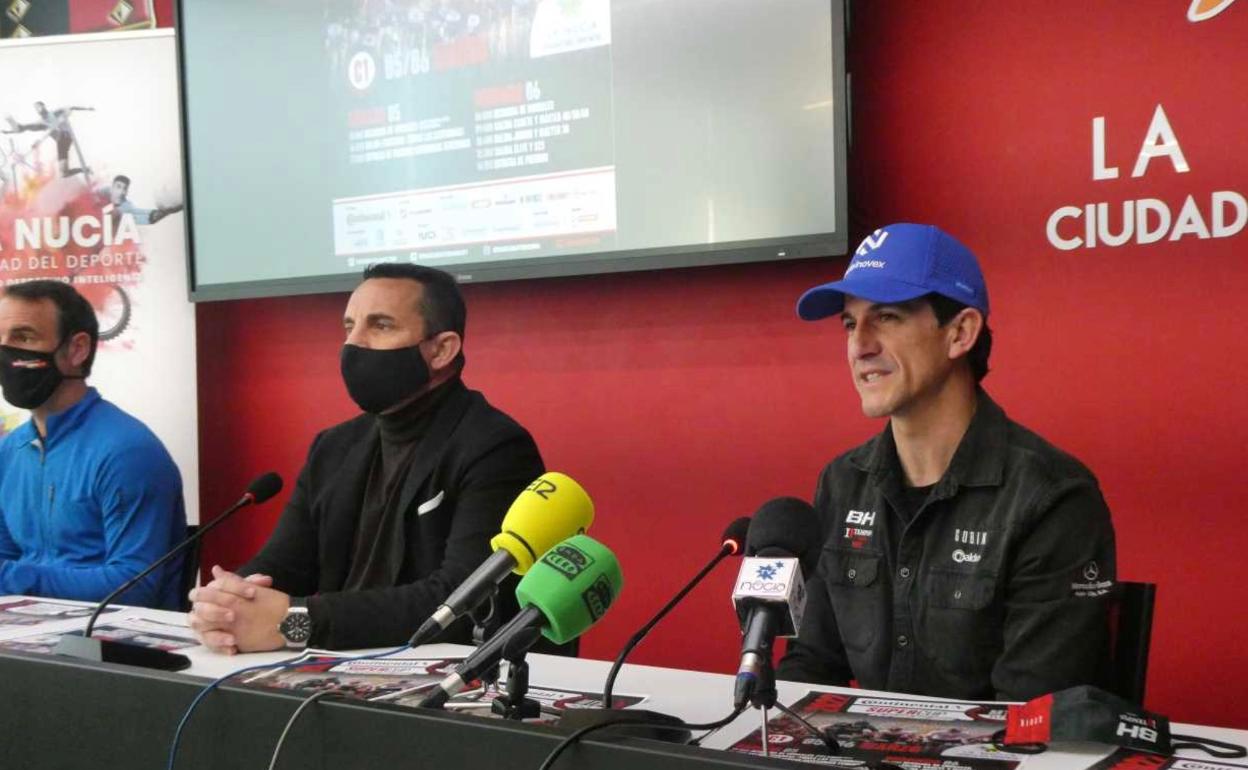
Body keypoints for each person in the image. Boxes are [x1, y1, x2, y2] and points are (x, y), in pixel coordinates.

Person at [777, 223, 1116, 702]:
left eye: (887, 317)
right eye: (851, 324)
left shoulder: (1053, 497)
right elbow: (812, 662)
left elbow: (1032, 711)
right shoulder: (841, 482)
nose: (859, 346)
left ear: (960, 333)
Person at [188, 264, 545, 653]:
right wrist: (227, 606)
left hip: (436, 676)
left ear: (442, 349)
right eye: (349, 326)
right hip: (335, 668)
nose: (354, 344)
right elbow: (282, 565)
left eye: (381, 325)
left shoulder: (494, 448)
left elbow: (460, 601)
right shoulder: (334, 448)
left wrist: (295, 622)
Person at [0, 280, 186, 608]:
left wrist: (16, 580)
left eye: (24, 337)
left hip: (110, 647)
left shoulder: (127, 451)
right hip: (24, 638)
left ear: (77, 350)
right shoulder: (9, 451)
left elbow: (133, 586)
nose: (6, 352)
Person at [96, 174, 182, 226]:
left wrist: (163, 212)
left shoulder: (125, 206)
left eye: (124, 189)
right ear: (111, 187)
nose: (121, 192)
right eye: (118, 187)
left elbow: (138, 214)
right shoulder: (99, 194)